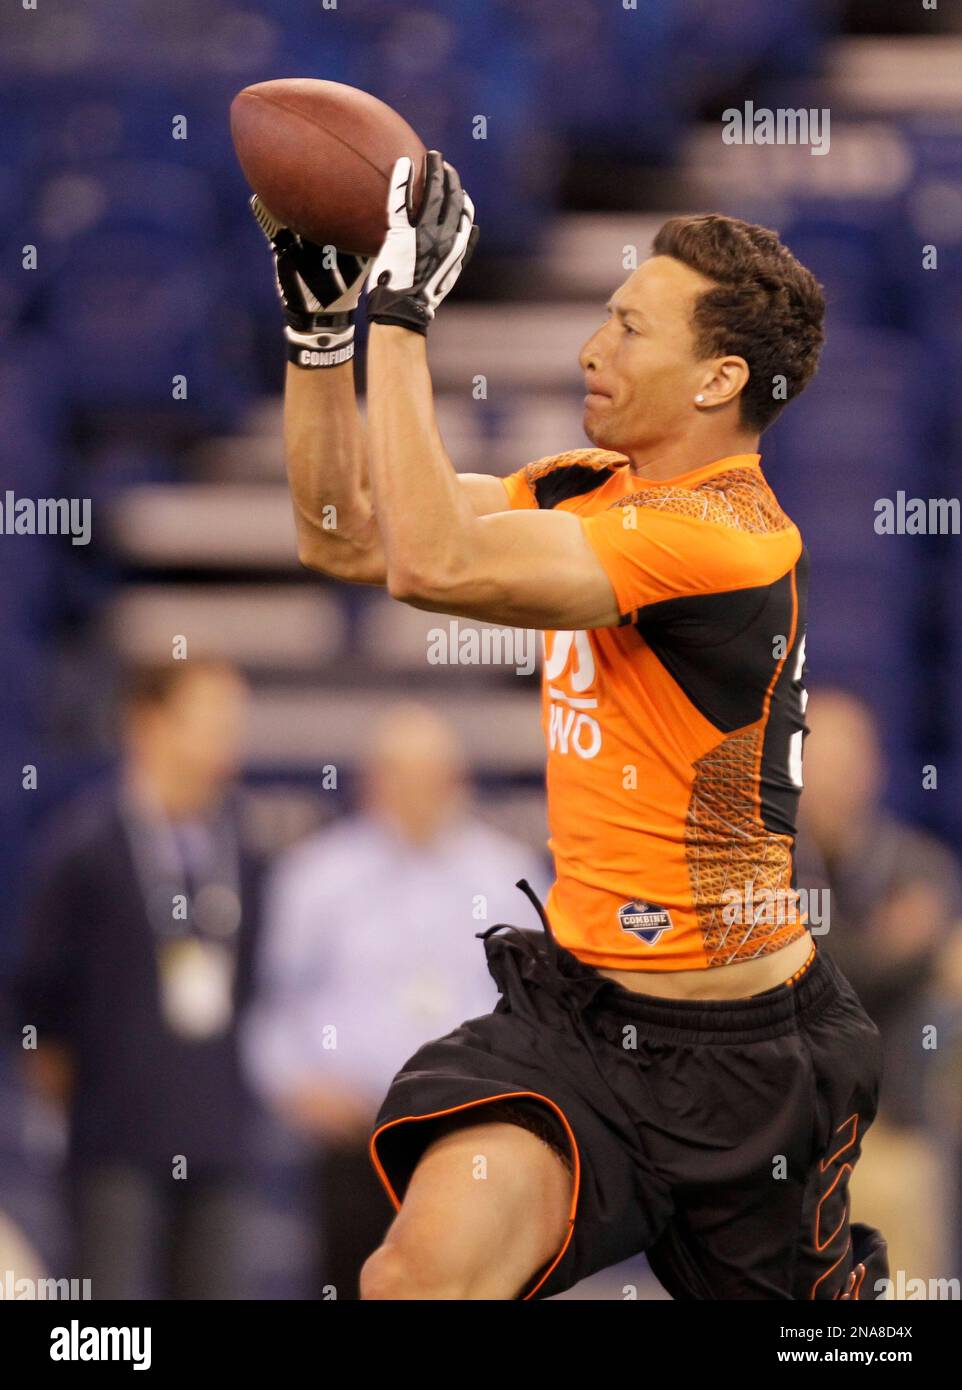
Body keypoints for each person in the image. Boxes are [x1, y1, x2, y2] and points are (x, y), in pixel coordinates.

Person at [252, 152, 888, 1299]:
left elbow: (427, 560)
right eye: (603, 313)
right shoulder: (592, 486)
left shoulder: (726, 538)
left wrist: (399, 318)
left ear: (716, 381)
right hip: (586, 1025)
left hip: (748, 1062)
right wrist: (323, 339)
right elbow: (344, 535)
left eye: (631, 328)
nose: (592, 347)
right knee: (415, 1280)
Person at [243, 703, 547, 1299]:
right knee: (357, 1283)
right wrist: (298, 1085)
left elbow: (536, 1010)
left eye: (432, 776)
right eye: (399, 775)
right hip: (353, 1132)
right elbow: (276, 1002)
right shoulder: (317, 876)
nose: (416, 793)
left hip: (469, 1135)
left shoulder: (505, 877)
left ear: (457, 781)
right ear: (372, 781)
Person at [16, 658, 261, 1299]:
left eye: (232, 723)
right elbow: (40, 1002)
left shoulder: (243, 846)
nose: (224, 740)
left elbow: (252, 980)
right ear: (147, 725)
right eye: (207, 721)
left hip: (215, 1133)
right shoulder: (84, 849)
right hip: (113, 1137)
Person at [797, 687, 962, 1283]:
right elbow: (819, 973)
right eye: (821, 763)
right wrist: (889, 950)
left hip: (897, 1137)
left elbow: (822, 964)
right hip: (797, 1152)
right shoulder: (769, 870)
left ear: (875, 769)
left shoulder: (920, 863)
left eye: (849, 762)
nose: (836, 781)